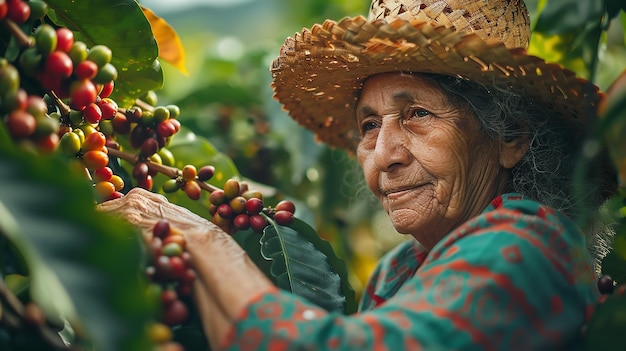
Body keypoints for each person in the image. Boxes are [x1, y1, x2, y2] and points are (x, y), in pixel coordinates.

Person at [98, 0, 618, 349]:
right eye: (370, 125)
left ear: (509, 139)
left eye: (417, 114)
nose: (384, 154)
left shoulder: (528, 243)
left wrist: (204, 240)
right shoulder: (401, 270)